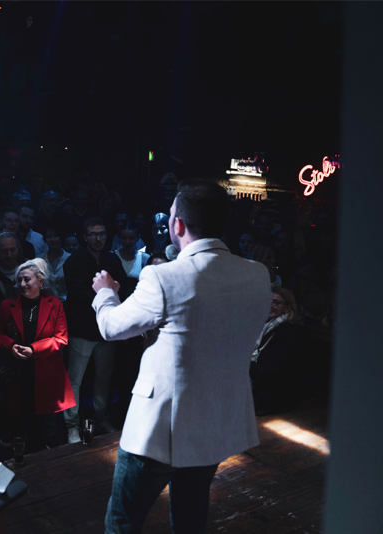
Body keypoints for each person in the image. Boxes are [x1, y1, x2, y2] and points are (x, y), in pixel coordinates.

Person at [91, 180, 270, 534]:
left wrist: (105, 293)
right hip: (215, 423)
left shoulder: (163, 276)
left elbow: (112, 327)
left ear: (179, 225)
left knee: (122, 522)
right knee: (190, 521)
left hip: (158, 429)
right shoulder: (257, 274)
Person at [0, 259, 75, 451]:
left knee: (45, 428)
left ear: (40, 281)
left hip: (46, 372)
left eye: (27, 279)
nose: (22, 284)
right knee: (19, 424)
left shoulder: (55, 304)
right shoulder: (7, 305)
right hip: (17, 373)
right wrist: (11, 346)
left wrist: (33, 349)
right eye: (19, 280)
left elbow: (61, 338)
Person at [62, 217, 128, 442]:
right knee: (75, 380)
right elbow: (80, 296)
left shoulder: (112, 259)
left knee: (104, 378)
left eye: (102, 234)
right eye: (94, 234)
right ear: (85, 237)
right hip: (82, 330)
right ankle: (71, 425)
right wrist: (107, 293)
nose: (98, 238)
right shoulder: (73, 262)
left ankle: (102, 418)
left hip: (106, 330)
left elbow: (123, 287)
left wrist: (108, 294)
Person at [250, 287, 306, 415]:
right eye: (268, 301)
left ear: (287, 308)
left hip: (278, 395)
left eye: (276, 302)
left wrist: (240, 364)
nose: (271, 305)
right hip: (266, 387)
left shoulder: (289, 333)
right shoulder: (267, 326)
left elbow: (268, 372)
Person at [38, 225, 71, 300]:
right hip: (45, 303)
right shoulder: (39, 260)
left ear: (61, 238)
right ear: (45, 239)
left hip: (67, 303)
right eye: (49, 237)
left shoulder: (70, 258)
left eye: (56, 236)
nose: (52, 239)